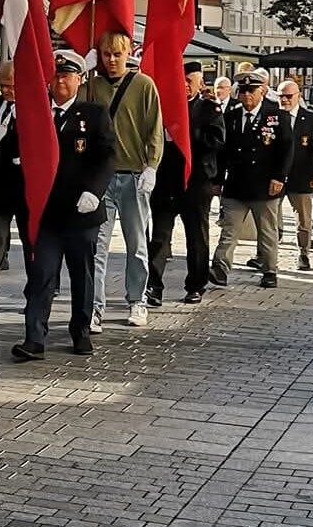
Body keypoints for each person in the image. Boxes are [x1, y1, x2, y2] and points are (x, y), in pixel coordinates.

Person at [14, 51, 115, 358]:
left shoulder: (94, 114)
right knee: (42, 273)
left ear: (79, 80)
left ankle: (81, 331)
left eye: (67, 76)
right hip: (47, 211)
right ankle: (34, 337)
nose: (60, 81)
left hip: (81, 210)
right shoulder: (37, 113)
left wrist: (94, 192)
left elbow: (107, 156)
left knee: (81, 274)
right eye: (56, 75)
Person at [80, 31, 163, 331]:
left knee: (137, 243)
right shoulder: (93, 86)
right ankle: (94, 306)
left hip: (133, 175)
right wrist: (82, 75)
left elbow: (154, 127)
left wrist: (152, 166)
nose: (112, 60)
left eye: (117, 54)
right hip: (101, 178)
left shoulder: (143, 85)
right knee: (97, 246)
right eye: (106, 54)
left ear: (128, 54)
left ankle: (137, 300)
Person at [147, 61, 226, 307]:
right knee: (159, 236)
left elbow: (216, 141)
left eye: (189, 82)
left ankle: (196, 285)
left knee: (196, 236)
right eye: (179, 81)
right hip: (166, 181)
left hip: (195, 181)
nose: (183, 86)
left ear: (199, 84)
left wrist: (184, 131)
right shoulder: (161, 107)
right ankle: (153, 286)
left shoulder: (208, 108)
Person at [209, 72, 294, 289]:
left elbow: (286, 150)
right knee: (229, 230)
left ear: (262, 91)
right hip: (236, 184)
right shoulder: (231, 116)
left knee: (266, 231)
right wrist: (218, 179)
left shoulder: (276, 116)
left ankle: (269, 270)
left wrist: (279, 177)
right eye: (243, 91)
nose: (247, 95)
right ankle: (219, 267)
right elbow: (222, 151)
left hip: (264, 185)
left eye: (252, 91)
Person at [0, 59, 28, 295]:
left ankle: (36, 293)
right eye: (2, 86)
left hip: (24, 190)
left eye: (11, 86)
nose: (6, 91)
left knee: (32, 245)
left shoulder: (34, 108)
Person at [276, 79, 313, 270]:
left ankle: (304, 253)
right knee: (270, 216)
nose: (285, 100)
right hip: (276, 176)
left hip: (301, 175)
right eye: (281, 96)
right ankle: (267, 253)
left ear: (298, 96)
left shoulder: (312, 119)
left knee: (304, 219)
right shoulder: (272, 117)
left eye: (289, 96)